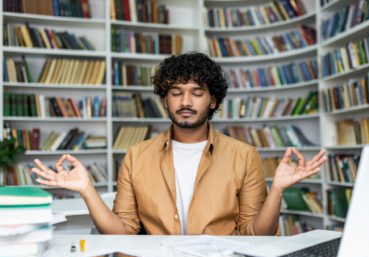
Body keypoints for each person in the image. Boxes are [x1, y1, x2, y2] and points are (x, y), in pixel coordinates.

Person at [32, 52, 326, 235]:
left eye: (197, 92)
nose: (185, 101)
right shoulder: (136, 155)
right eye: (176, 92)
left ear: (213, 100)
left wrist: (276, 190)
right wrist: (87, 190)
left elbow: (256, 235)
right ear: (165, 99)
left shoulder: (244, 155)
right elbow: (122, 231)